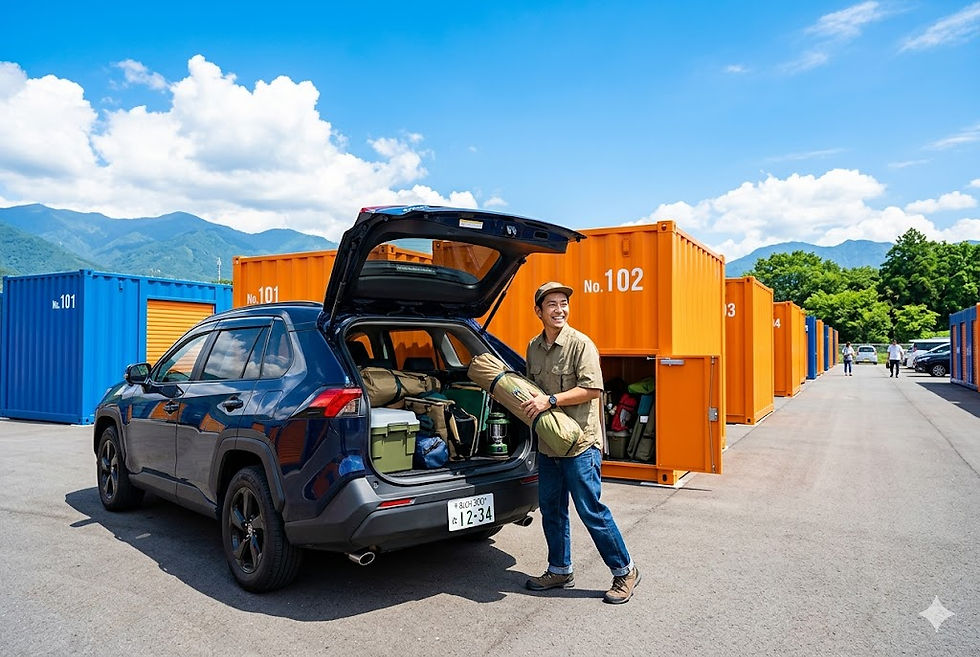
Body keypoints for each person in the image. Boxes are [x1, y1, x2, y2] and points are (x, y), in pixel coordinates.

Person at [520, 281, 640, 605]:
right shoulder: (533, 347)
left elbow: (593, 390)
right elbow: (531, 388)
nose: (560, 310)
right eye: (552, 305)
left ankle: (625, 570)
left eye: (563, 304)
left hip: (580, 446)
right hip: (549, 445)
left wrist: (550, 400)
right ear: (539, 312)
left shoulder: (580, 345)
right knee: (552, 510)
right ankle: (560, 569)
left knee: (592, 511)